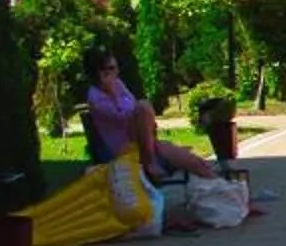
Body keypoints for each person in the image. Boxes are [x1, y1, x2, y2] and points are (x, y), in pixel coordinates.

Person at [83, 50, 222, 183]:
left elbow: (131, 104)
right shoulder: (95, 97)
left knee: (198, 164)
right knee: (143, 106)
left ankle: (227, 188)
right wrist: (113, 94)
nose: (116, 73)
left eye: (116, 68)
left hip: (144, 143)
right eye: (111, 68)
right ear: (100, 72)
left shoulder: (117, 84)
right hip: (125, 149)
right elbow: (123, 114)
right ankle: (149, 163)